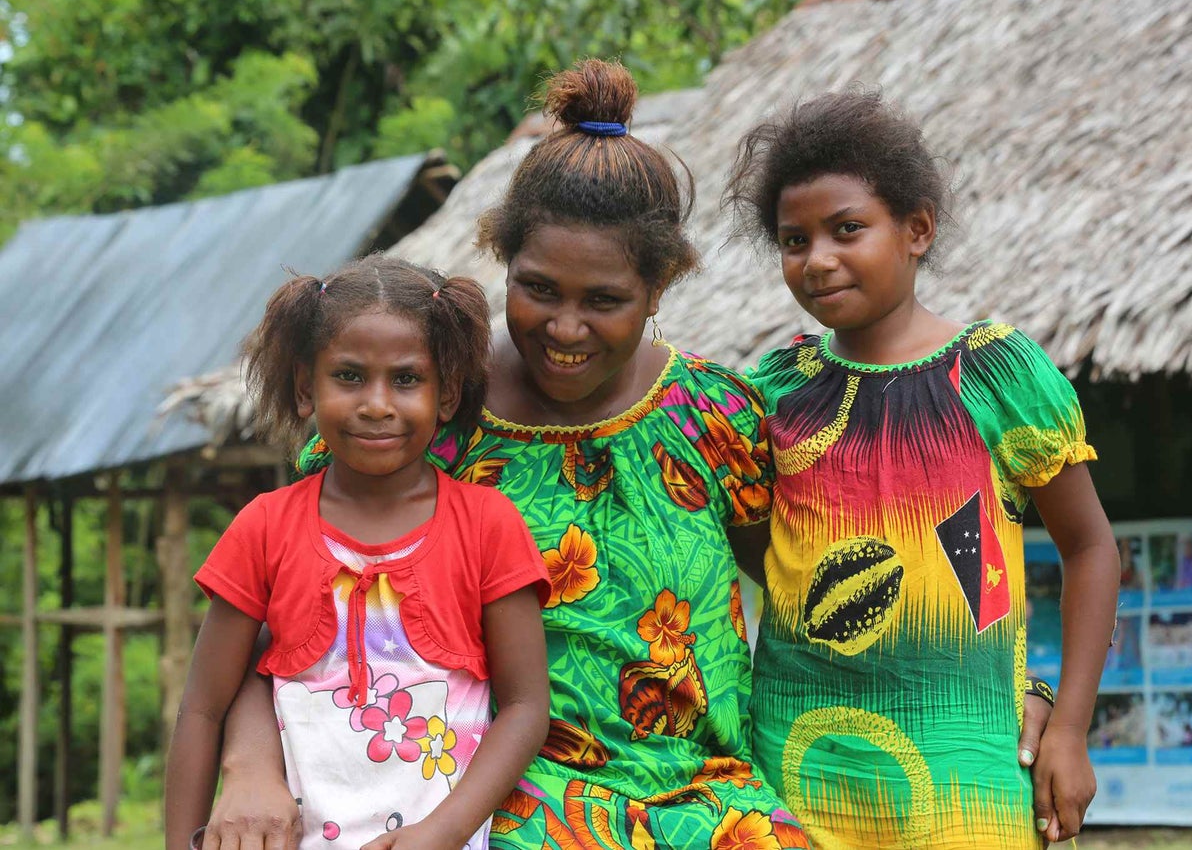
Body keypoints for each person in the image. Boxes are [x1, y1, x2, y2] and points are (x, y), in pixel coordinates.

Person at [206, 57, 812, 850]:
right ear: (503, 261)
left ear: (659, 287)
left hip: (706, 795)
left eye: (604, 301)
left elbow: (800, 601)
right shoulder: (432, 419)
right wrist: (249, 762)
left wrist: (1032, 698)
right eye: (538, 290)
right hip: (501, 798)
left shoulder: (713, 417)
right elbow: (283, 627)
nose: (564, 327)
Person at [725, 90, 1120, 848]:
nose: (819, 259)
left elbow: (1090, 547)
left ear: (917, 230)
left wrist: (1066, 722)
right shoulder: (774, 392)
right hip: (795, 769)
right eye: (793, 239)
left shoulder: (997, 375)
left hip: (963, 779)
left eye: (847, 229)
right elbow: (771, 565)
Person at [163, 257, 552, 850]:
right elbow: (201, 710)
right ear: (304, 389)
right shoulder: (264, 528)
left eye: (405, 379)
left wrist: (442, 832)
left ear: (446, 394)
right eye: (348, 376)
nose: (376, 404)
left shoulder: (487, 525)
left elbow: (526, 707)